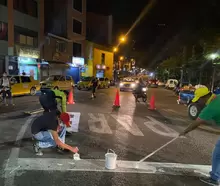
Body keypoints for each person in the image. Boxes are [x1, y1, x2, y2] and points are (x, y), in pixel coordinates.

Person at [179, 87, 220, 185]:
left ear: (204, 98)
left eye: (199, 99)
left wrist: (185, 131)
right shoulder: (218, 97)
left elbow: (197, 123)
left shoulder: (210, 108)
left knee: (217, 154)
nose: (198, 102)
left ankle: (214, 178)